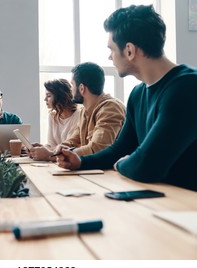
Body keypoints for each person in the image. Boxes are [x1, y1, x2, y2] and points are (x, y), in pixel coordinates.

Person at [56, 5, 197, 191]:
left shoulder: (187, 87)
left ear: (129, 50)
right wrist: (80, 161)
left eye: (112, 49)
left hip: (187, 208)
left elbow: (147, 166)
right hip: (159, 199)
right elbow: (120, 150)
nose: (109, 57)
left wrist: (122, 164)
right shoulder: (138, 94)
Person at [59, 62, 126, 156]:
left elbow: (98, 148)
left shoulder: (110, 108)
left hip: (110, 169)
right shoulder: (84, 110)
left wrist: (60, 154)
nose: (71, 90)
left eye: (72, 85)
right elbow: (74, 140)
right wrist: (57, 149)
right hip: (93, 168)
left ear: (81, 88)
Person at [28, 78, 81, 161]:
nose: (45, 99)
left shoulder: (78, 115)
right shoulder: (52, 116)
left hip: (71, 161)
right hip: (57, 160)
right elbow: (52, 145)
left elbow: (70, 148)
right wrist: (42, 147)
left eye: (48, 96)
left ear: (60, 96)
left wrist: (47, 152)